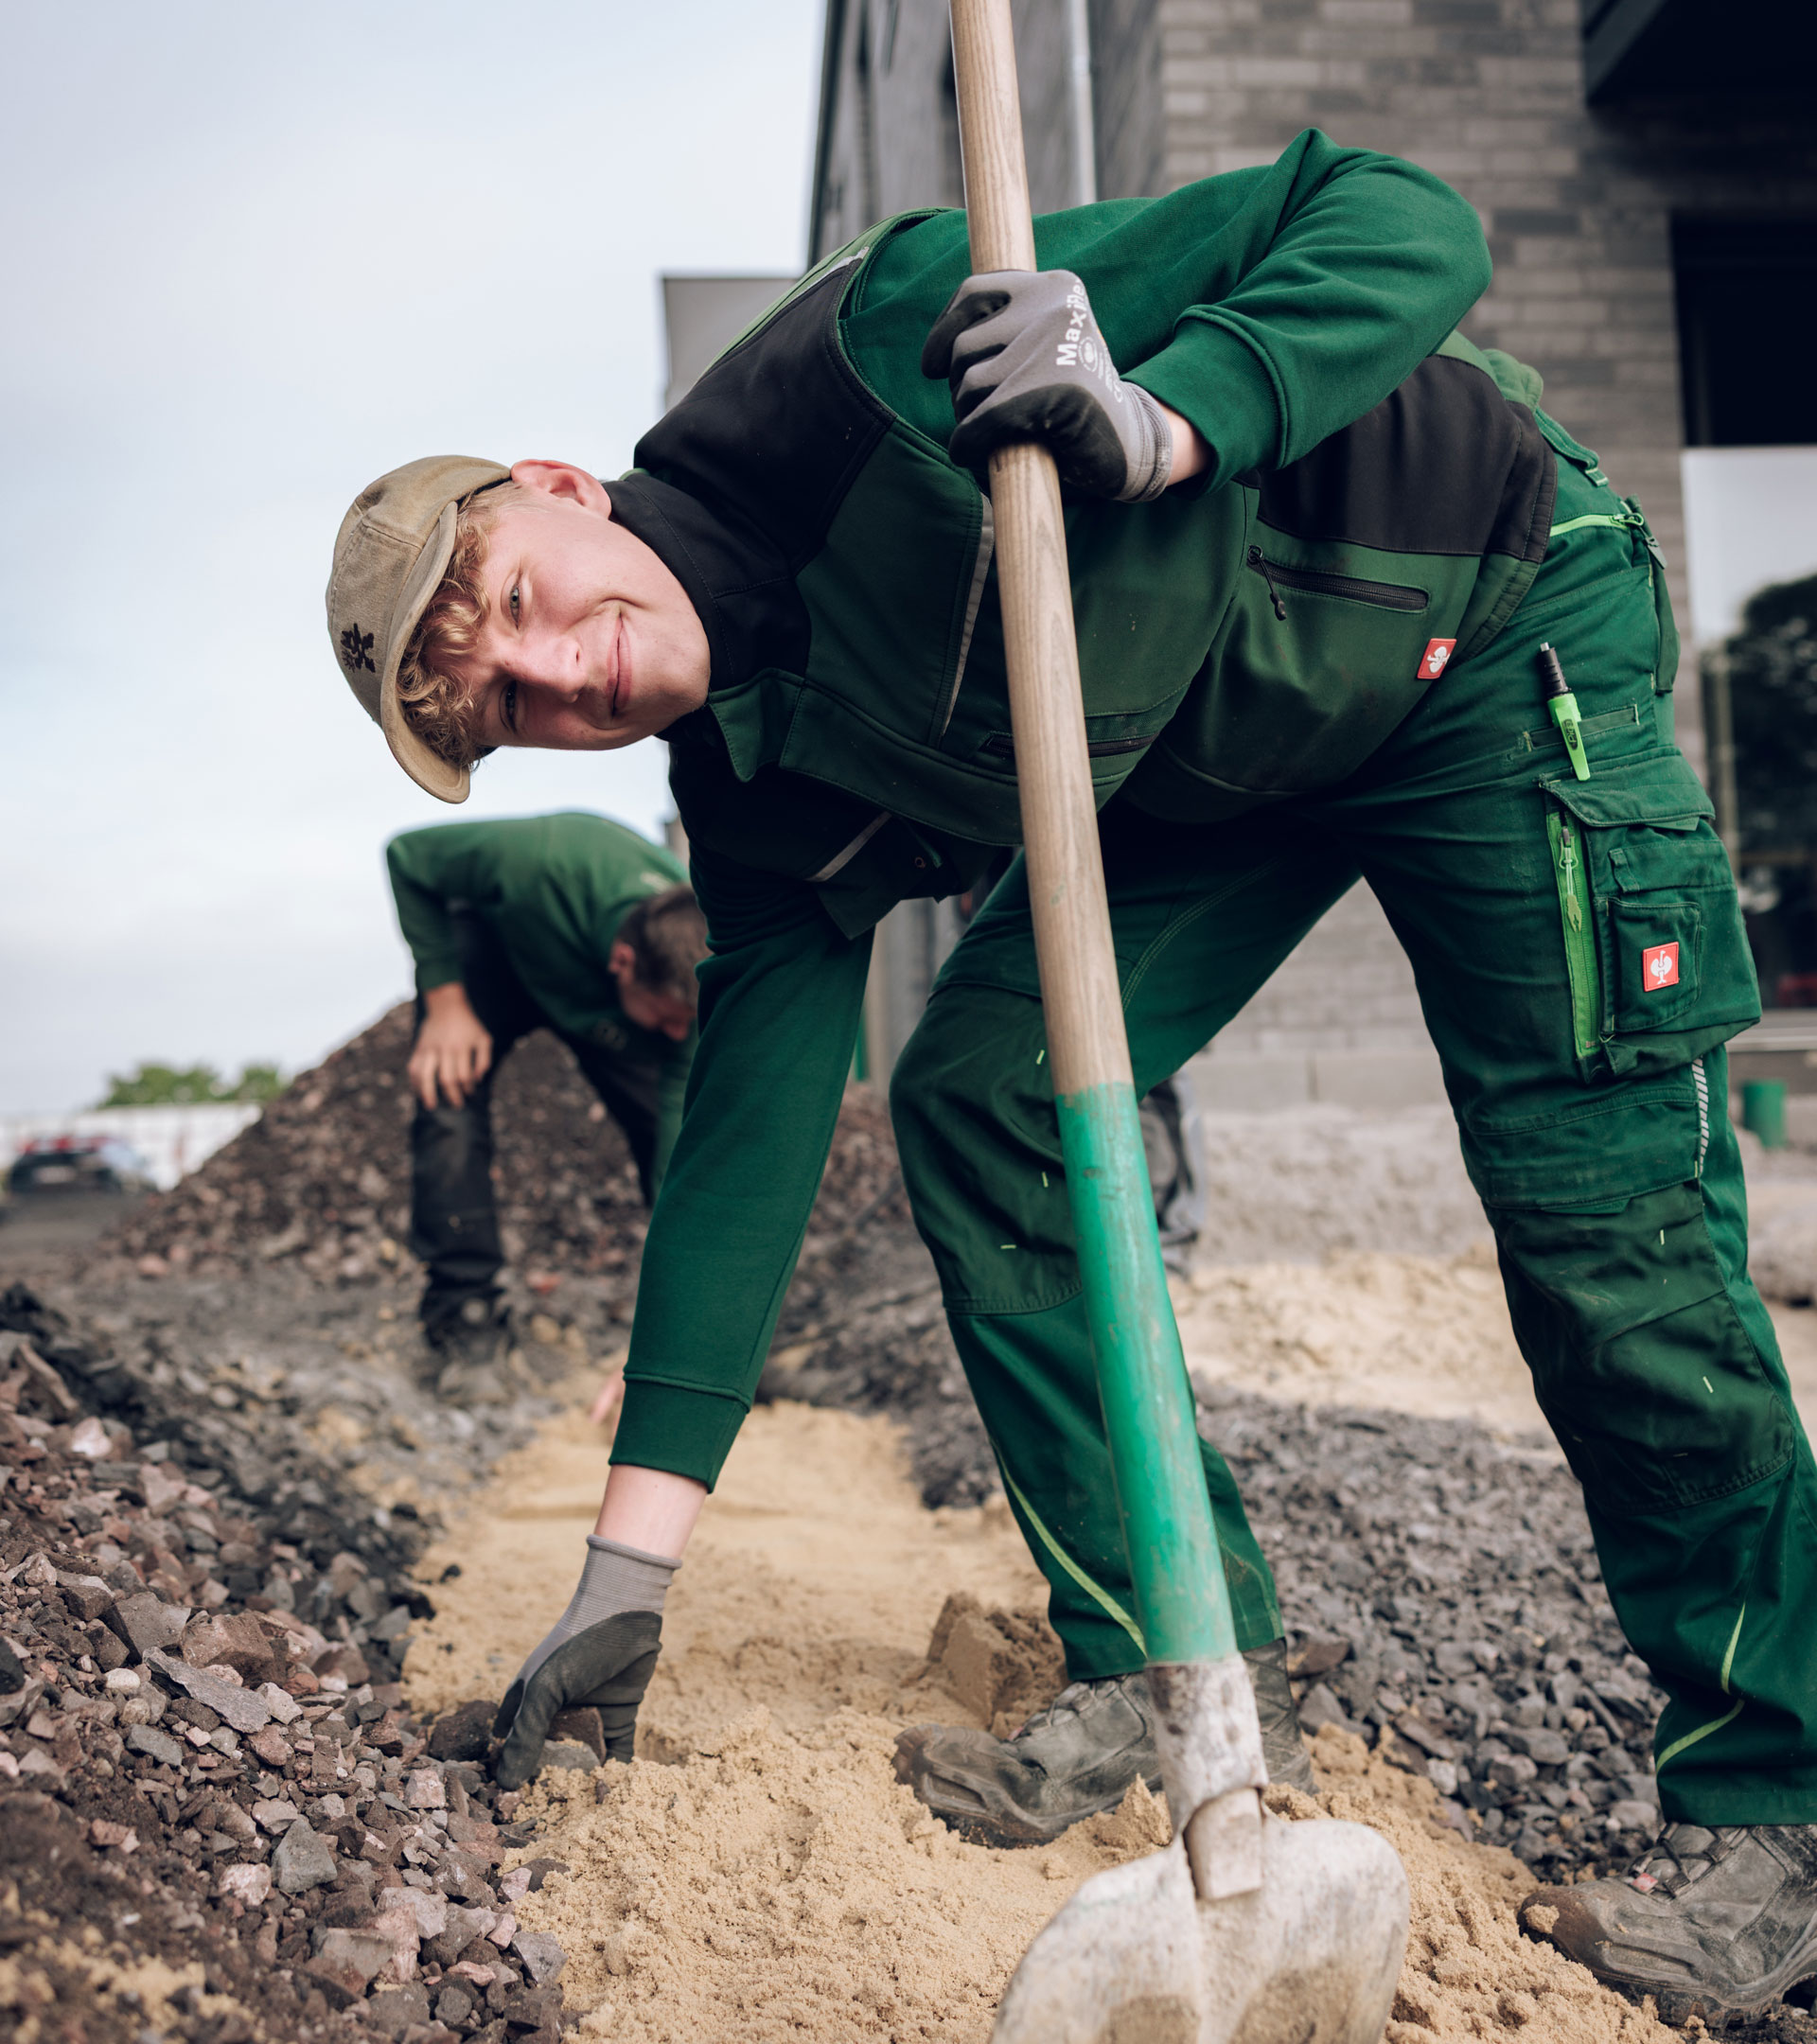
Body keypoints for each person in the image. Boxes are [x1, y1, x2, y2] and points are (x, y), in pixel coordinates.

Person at [326, 131, 1817, 2019]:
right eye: (514, 709)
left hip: (1481, 608)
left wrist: (1162, 413)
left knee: (1600, 1226)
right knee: (985, 1104)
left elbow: (1404, 219)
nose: (565, 676)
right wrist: (627, 1580)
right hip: (1218, 768)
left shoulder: (874, 355)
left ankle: (1781, 1810)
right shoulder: (758, 795)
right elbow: (739, 1156)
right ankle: (1183, 1655)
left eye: (529, 604)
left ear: (559, 488)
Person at [385, 812, 705, 1369]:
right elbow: (407, 856)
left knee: (680, 1142)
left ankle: (712, 1329)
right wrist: (444, 1000)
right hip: (497, 950)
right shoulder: (541, 861)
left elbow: (677, 1147)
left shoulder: (690, 977)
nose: (678, 1035)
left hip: (605, 1001)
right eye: (668, 1019)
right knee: (448, 1094)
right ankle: (465, 1318)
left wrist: (682, 1318)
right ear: (624, 963)